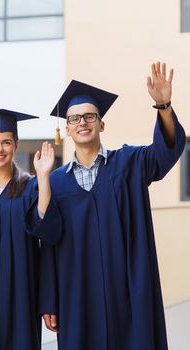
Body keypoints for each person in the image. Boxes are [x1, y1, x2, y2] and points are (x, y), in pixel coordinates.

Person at [39, 62, 186, 350]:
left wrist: (163, 105)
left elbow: (165, 152)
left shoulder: (129, 164)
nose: (83, 122)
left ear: (101, 124)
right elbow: (47, 245)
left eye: (90, 116)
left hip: (128, 290)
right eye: (75, 118)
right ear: (66, 129)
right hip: (78, 295)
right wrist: (49, 301)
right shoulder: (54, 182)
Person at [0, 109, 61, 350]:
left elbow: (46, 230)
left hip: (21, 293)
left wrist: (43, 177)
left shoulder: (30, 187)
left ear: (16, 145)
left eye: (6, 142)